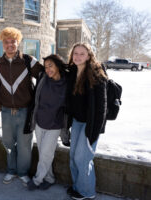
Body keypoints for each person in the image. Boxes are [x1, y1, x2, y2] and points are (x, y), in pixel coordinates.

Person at [0, 27, 43, 186]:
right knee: (8, 143)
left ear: (18, 42)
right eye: (6, 42)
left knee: (24, 145)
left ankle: (22, 173)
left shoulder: (29, 60)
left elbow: (45, 76)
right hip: (6, 112)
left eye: (13, 41)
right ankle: (11, 170)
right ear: (2, 44)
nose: (10, 45)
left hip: (25, 111)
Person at [66, 43, 107, 200]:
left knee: (82, 159)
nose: (78, 56)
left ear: (89, 56)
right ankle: (78, 187)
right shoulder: (72, 72)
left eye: (82, 54)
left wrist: (94, 133)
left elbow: (101, 108)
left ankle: (87, 192)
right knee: (73, 157)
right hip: (76, 122)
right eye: (75, 53)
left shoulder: (97, 75)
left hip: (90, 125)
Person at [26, 55, 67, 191]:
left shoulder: (67, 82)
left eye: (51, 66)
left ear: (58, 66)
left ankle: (37, 180)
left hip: (55, 124)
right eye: (46, 66)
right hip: (39, 121)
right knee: (44, 153)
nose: (48, 69)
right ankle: (49, 178)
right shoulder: (43, 77)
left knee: (45, 154)